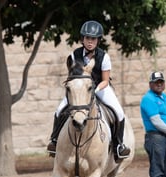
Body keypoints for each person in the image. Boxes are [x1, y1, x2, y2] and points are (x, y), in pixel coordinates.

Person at [46, 20, 130, 159]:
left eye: (93, 39)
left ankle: (118, 145)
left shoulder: (104, 57)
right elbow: (72, 77)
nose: (90, 41)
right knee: (59, 110)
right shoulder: (74, 55)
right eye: (87, 38)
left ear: (98, 40)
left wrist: (95, 90)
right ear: (82, 39)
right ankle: (54, 141)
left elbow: (105, 80)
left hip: (100, 88)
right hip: (79, 90)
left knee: (119, 112)